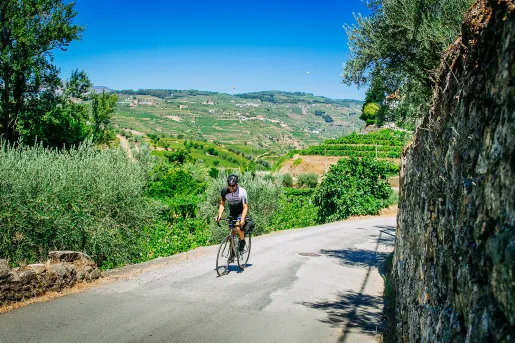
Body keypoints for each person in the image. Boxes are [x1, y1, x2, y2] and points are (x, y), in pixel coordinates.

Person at [216, 174, 249, 252]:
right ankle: (233, 252)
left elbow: (245, 207)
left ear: (236, 185)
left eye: (233, 186)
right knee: (232, 231)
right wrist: (219, 215)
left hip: (241, 211)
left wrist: (243, 219)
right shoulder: (224, 192)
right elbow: (222, 204)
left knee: (238, 226)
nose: (231, 188)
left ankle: (242, 241)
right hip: (232, 212)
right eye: (229, 185)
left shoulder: (242, 192)